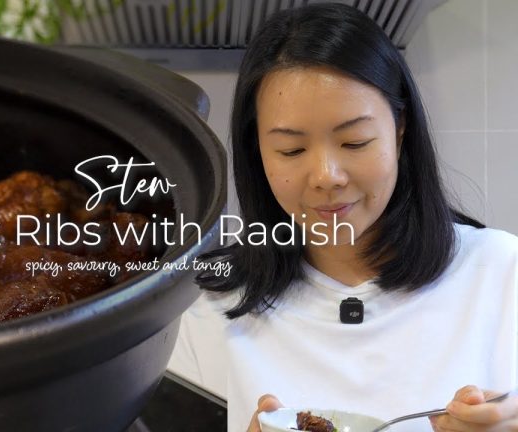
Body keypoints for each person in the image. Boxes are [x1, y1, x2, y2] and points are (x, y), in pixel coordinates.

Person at [192, 3, 518, 431]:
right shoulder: (203, 309)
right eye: (291, 150)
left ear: (399, 132)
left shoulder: (501, 273)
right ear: (257, 153)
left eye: (355, 142)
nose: (327, 177)